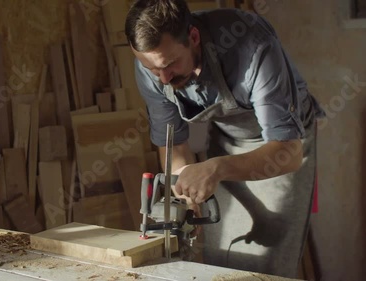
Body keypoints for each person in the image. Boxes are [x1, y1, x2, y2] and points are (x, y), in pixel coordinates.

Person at [124, 0, 325, 278]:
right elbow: (174, 144)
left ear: (193, 37)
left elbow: (287, 153)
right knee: (222, 259)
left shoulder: (252, 46)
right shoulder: (153, 68)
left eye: (170, 65)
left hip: (281, 146)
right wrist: (186, 198)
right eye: (152, 69)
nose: (163, 79)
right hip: (227, 139)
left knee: (265, 262)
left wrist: (216, 168)